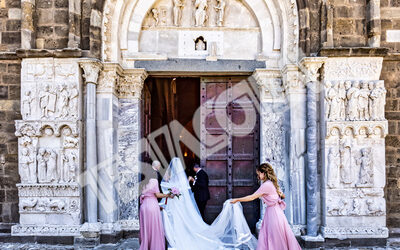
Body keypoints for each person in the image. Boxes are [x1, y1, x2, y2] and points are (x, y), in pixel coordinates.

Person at [231, 163, 301, 250]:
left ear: (264, 173)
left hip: (273, 214)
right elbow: (283, 196)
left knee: (274, 237)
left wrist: (237, 199)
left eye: (259, 174)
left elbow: (252, 197)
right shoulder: (273, 183)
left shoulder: (266, 185)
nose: (258, 176)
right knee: (276, 236)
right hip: (277, 212)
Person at [139, 165, 174, 250]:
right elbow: (157, 194)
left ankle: (146, 246)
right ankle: (154, 247)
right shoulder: (154, 181)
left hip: (143, 206)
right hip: (152, 205)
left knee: (146, 228)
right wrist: (167, 195)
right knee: (154, 228)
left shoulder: (143, 182)